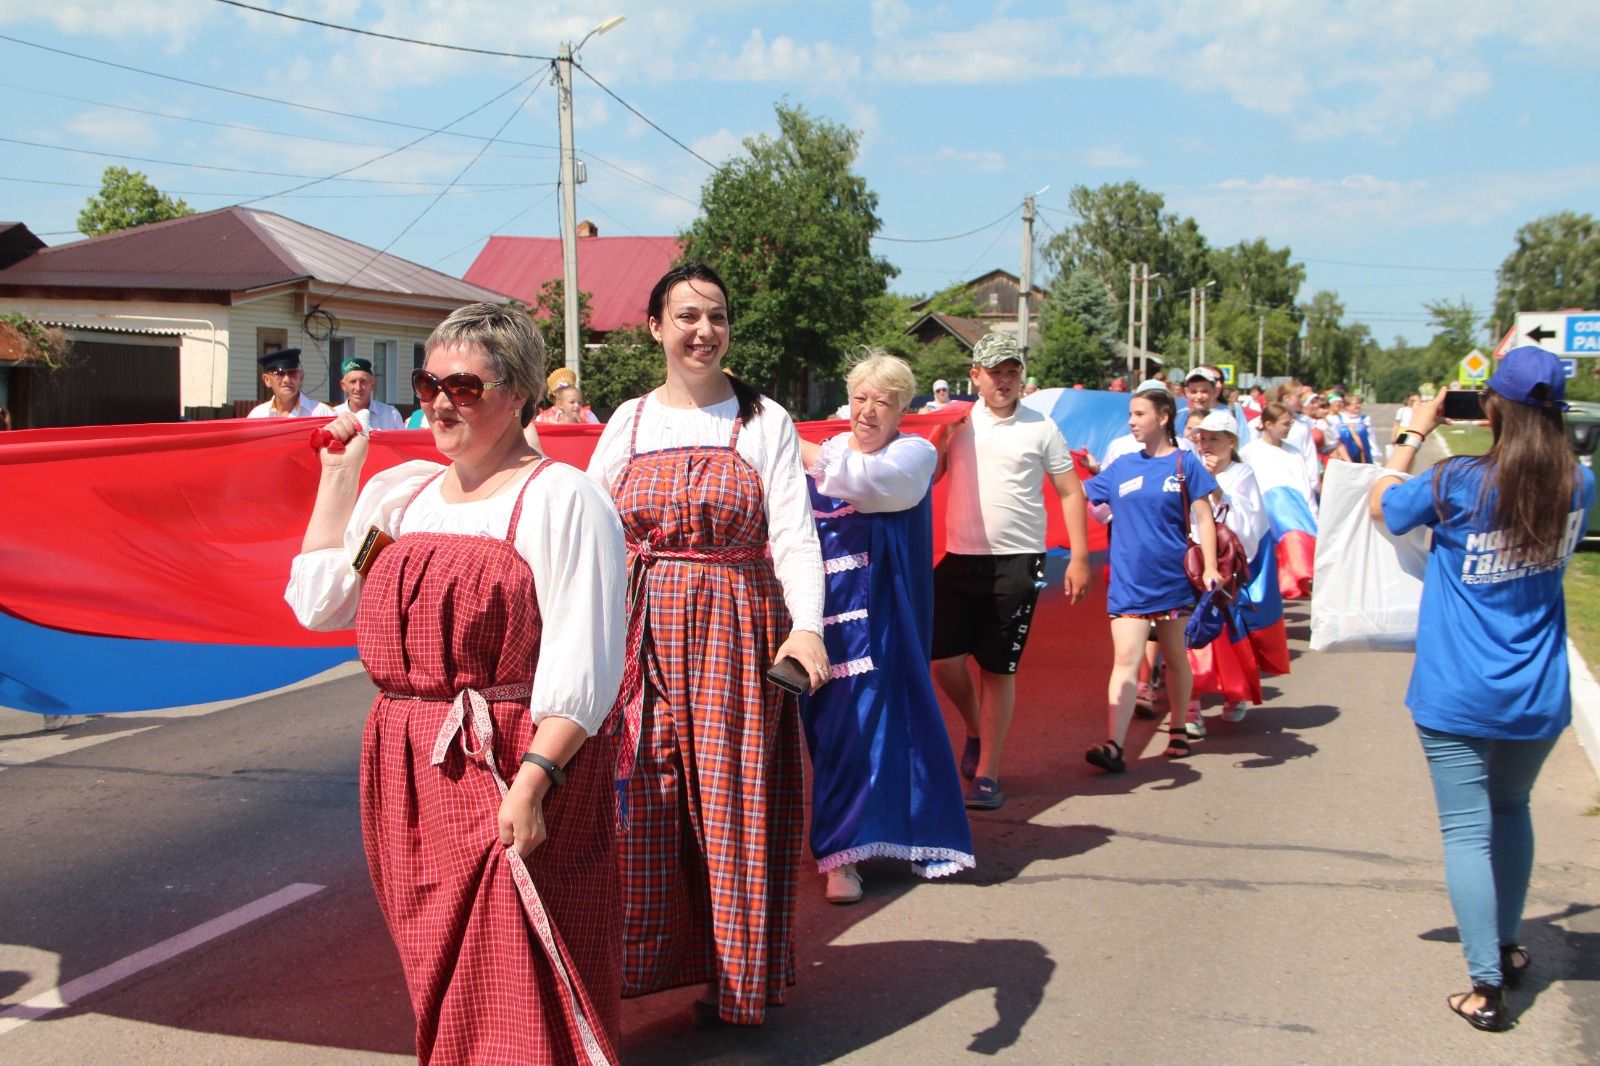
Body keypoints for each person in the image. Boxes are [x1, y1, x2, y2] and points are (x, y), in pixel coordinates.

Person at [285, 302, 628, 1062]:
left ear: (519, 394)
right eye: (428, 381)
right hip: (406, 770)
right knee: (440, 976)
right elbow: (319, 603)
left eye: (465, 387)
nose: (441, 401)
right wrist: (338, 481)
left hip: (511, 763)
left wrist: (534, 781)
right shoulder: (402, 496)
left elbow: (589, 661)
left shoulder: (562, 498)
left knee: (512, 979)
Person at [586, 261, 827, 1028]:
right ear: (655, 327)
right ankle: (634, 970)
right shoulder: (625, 421)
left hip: (733, 630)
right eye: (686, 315)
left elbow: (793, 534)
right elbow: (588, 528)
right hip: (639, 634)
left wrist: (808, 625)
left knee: (731, 804)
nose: (703, 330)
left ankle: (737, 980)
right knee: (644, 795)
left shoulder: (766, 421)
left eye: (716, 315)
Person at [1367, 346, 1594, 1033]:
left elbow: (1384, 505)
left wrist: (1411, 430)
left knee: (1467, 831)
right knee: (1511, 809)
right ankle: (1507, 944)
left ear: (1491, 407)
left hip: (1458, 690)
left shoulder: (1459, 481)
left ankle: (1485, 985)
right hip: (1537, 689)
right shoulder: (1578, 484)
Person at [796, 351, 975, 905]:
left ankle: (916, 835)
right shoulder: (823, 453)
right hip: (822, 623)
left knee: (902, 723)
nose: (868, 411)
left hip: (889, 618)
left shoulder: (913, 454)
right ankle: (841, 852)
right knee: (837, 735)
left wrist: (786, 441)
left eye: (883, 401)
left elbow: (871, 486)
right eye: (860, 398)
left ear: (903, 409)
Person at [933, 331, 1090, 811]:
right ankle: (977, 727)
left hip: (1019, 560)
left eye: (1012, 371)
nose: (1004, 380)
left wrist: (1079, 557)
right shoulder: (957, 424)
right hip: (960, 558)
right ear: (975, 376)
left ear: (1022, 376)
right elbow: (930, 477)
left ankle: (988, 774)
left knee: (999, 667)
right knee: (943, 662)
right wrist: (938, 444)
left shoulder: (1041, 427)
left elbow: (1070, 491)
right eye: (994, 372)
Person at [1082, 387, 1220, 772]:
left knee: (1175, 657)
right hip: (1129, 582)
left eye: (1139, 414)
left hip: (1173, 579)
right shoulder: (1122, 466)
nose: (1131, 421)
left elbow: (1204, 517)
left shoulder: (1184, 463)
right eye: (1130, 414)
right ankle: (1115, 744)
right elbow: (1080, 495)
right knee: (1126, 660)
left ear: (1162, 417)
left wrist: (1209, 567)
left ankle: (1177, 727)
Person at [1185, 410, 1267, 734]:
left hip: (1224, 564)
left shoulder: (1242, 472)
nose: (1205, 444)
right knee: (1190, 631)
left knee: (1224, 631)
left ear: (1231, 442)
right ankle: (1191, 706)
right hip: (1191, 560)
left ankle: (1234, 692)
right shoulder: (1188, 466)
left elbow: (1249, 524)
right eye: (1201, 437)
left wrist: (1212, 484)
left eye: (1214, 438)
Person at [1241, 402, 1319, 600]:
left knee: (1295, 544)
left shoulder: (1293, 452)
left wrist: (1313, 513)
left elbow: (1304, 485)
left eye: (1290, 424)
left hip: (1294, 508)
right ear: (1268, 424)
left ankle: (1292, 584)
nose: (1289, 428)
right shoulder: (1250, 452)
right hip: (1267, 510)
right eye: (1285, 424)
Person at [247, 348, 334, 418]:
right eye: (280, 374)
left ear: (300, 377)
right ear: (267, 380)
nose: (287, 379)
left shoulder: (322, 414)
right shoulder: (257, 416)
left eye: (292, 373)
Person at [331, 356, 406, 430]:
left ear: (373, 385)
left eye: (363, 381)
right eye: (353, 382)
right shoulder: (333, 415)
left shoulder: (390, 415)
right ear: (344, 386)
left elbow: (402, 441)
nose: (358, 388)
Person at [536, 367, 600, 424]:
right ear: (554, 393)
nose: (576, 405)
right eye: (561, 390)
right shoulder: (543, 418)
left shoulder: (587, 415)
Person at [1176, 365, 1222, 439]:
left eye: (1204, 391)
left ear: (1213, 391)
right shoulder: (1178, 418)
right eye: (1194, 392)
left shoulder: (1220, 420)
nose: (1199, 397)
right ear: (1187, 392)